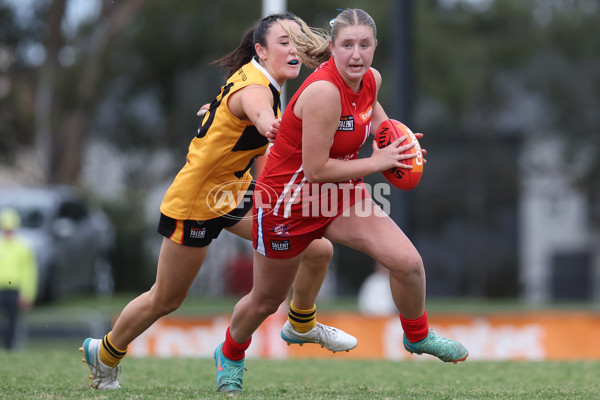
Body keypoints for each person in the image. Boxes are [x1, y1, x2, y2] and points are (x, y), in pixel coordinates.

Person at [79, 12, 356, 390]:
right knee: (166, 298)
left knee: (318, 249)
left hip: (232, 193)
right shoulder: (258, 90)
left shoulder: (261, 80)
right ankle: (106, 352)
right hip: (196, 201)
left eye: (297, 41)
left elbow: (240, 121)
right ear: (260, 50)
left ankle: (301, 324)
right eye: (283, 42)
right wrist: (271, 125)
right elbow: (258, 113)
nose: (293, 50)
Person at [214, 8, 468, 393]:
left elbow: (374, 115)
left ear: (374, 47)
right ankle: (230, 353)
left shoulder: (370, 80)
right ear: (332, 48)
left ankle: (417, 336)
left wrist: (396, 141)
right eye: (347, 45)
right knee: (265, 301)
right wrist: (379, 161)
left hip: (340, 195)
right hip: (288, 203)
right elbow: (315, 170)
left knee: (408, 263)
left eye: (364, 45)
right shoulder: (323, 93)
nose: (356, 54)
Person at [0, 207, 38, 350]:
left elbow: (30, 273)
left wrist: (27, 294)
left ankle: (9, 349)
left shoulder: (23, 247)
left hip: (15, 291)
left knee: (12, 323)